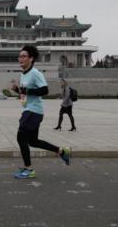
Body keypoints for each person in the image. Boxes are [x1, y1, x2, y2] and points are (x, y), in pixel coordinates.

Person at [11, 45, 71, 179]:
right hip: (29, 109)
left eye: (24, 56)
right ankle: (61, 151)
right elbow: (25, 94)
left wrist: (25, 91)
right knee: (32, 141)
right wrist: (17, 90)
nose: (20, 58)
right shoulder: (23, 74)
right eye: (19, 56)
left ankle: (29, 169)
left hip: (34, 111)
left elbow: (44, 90)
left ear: (31, 58)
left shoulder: (36, 73)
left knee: (21, 137)